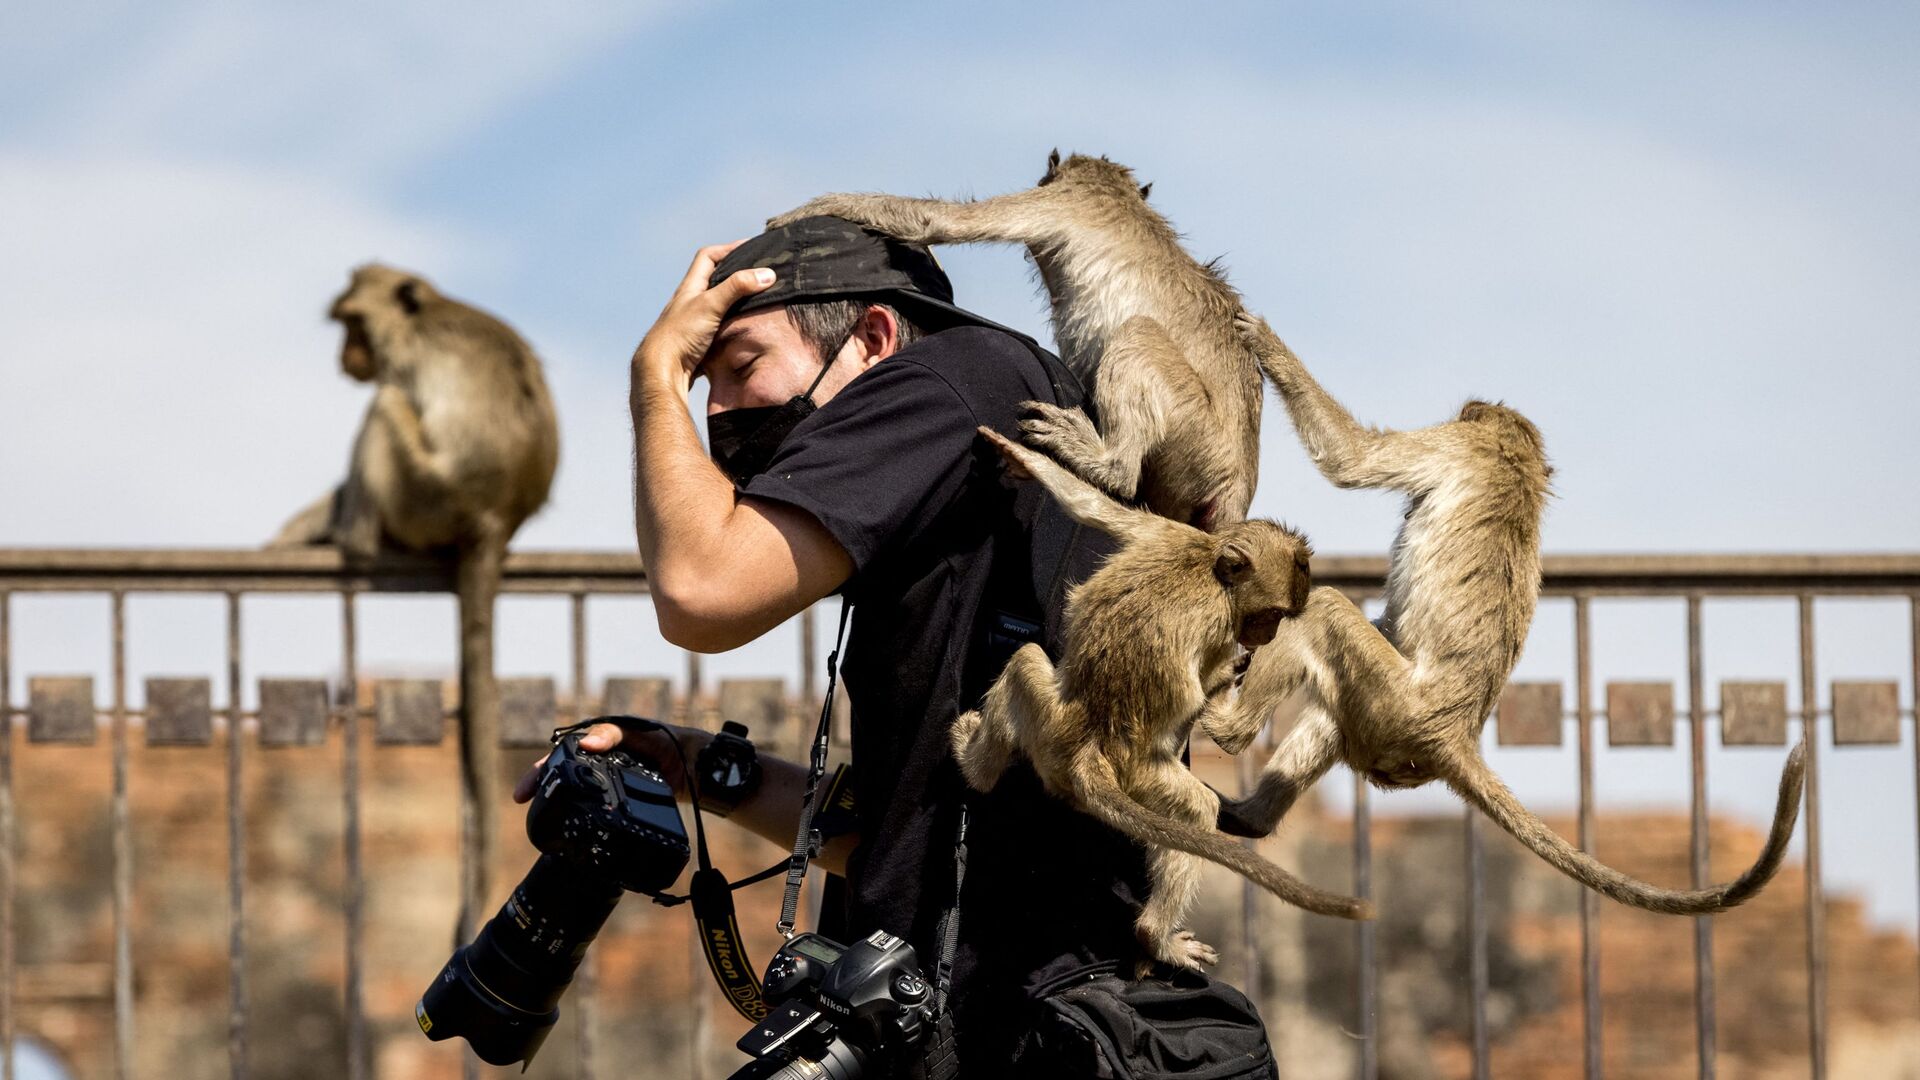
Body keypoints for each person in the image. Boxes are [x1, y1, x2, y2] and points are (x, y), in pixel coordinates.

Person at [513, 217, 1156, 1075]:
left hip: (1017, 1025)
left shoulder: (953, 378)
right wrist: (697, 767)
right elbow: (905, 833)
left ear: (875, 338)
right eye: (702, 387)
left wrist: (654, 378)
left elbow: (701, 593)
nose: (717, 415)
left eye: (740, 367)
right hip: (975, 1006)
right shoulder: (967, 471)